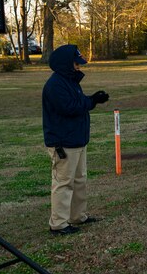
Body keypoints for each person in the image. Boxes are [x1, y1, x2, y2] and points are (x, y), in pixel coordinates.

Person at [42, 44, 109, 235]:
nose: (79, 67)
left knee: (79, 179)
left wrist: (92, 99)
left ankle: (78, 216)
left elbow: (77, 103)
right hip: (63, 142)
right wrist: (92, 101)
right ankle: (59, 224)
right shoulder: (55, 85)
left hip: (77, 140)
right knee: (64, 182)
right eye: (76, 63)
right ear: (66, 64)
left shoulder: (70, 82)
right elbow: (69, 108)